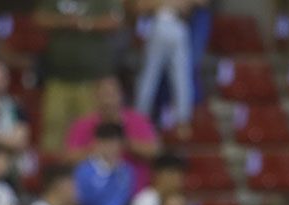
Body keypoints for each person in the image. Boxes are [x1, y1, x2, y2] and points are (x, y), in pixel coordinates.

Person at [36, 0, 125, 154]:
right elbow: (39, 18)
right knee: (53, 126)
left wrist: (84, 23)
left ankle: (87, 172)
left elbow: (116, 21)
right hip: (58, 77)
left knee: (89, 129)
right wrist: (64, 21)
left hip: (92, 79)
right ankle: (52, 170)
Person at [66, 76, 160, 191]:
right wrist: (96, 149)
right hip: (92, 193)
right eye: (104, 95)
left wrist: (124, 143)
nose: (108, 101)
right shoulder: (82, 124)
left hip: (135, 191)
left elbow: (155, 151)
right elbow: (69, 159)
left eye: (112, 95)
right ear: (95, 97)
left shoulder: (138, 120)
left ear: (121, 96)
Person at [133, 0, 194, 136]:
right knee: (150, 75)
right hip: (159, 24)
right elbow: (140, 7)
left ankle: (183, 121)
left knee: (181, 76)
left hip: (177, 25)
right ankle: (139, 118)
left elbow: (189, 7)